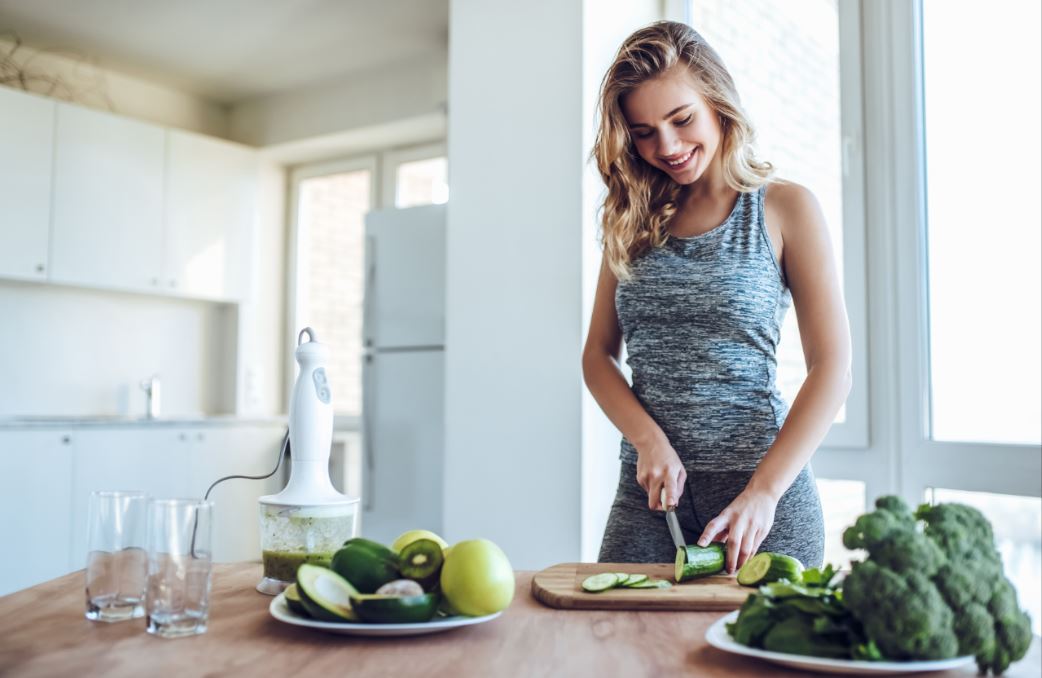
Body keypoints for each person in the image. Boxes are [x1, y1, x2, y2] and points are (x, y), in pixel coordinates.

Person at [583, 20, 852, 573]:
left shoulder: (785, 209)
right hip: (649, 499)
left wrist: (765, 492)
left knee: (754, 660)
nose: (668, 146)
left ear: (717, 103)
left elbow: (834, 366)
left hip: (761, 498)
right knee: (619, 652)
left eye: (682, 120)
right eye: (643, 132)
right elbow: (597, 357)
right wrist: (647, 440)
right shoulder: (628, 219)